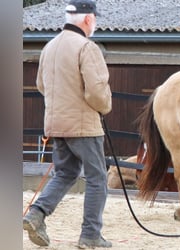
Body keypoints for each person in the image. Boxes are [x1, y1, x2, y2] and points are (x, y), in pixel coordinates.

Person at [23, 0, 113, 248]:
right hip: (84, 125)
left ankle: (36, 213)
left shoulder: (49, 47)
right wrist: (105, 107)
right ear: (88, 19)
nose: (95, 23)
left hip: (55, 123)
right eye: (95, 19)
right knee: (97, 178)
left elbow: (42, 86)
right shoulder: (87, 47)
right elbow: (96, 91)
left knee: (65, 173)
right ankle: (91, 235)